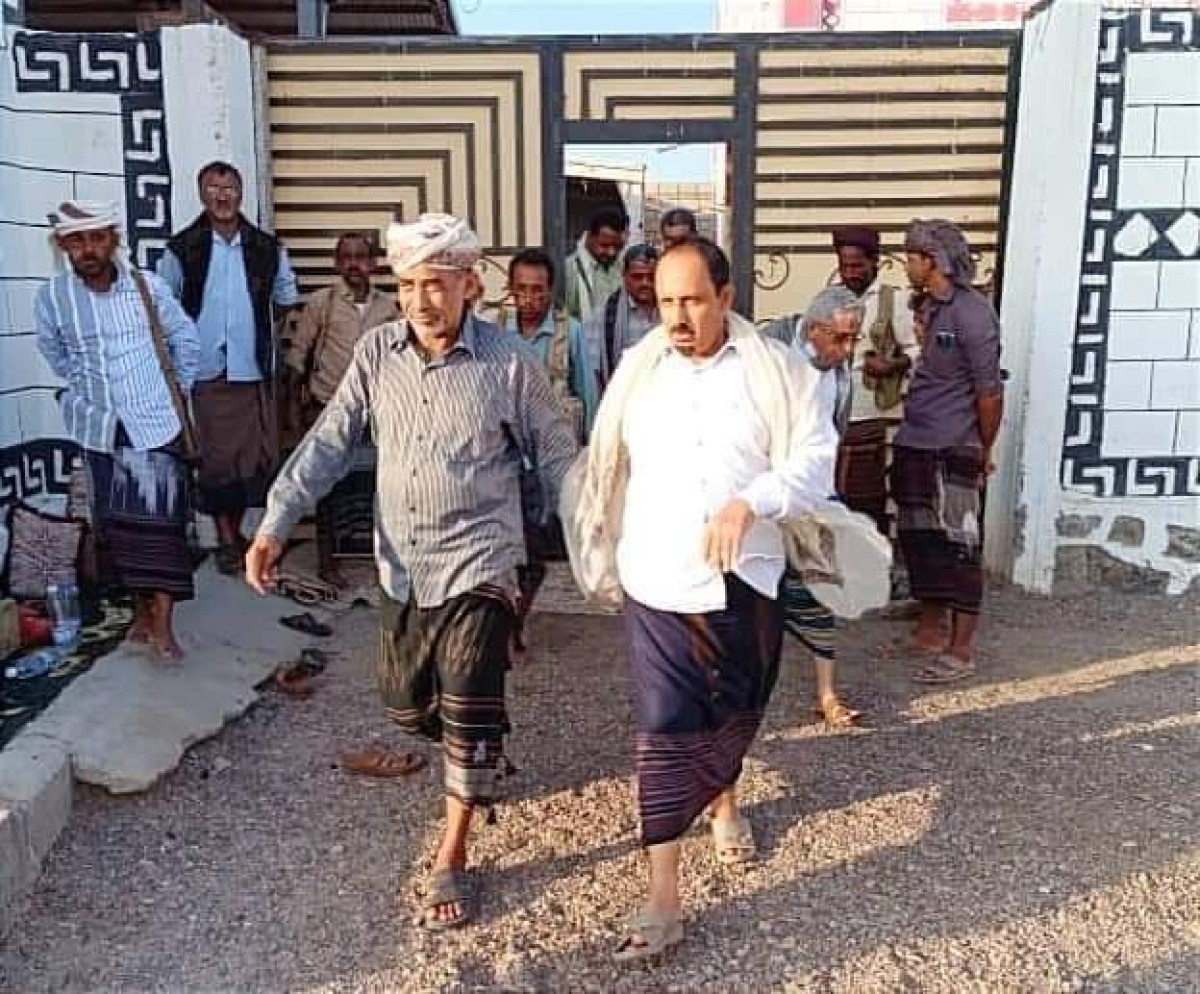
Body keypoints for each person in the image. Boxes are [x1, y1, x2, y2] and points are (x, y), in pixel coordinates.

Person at [244, 213, 578, 930]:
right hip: (402, 566)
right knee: (404, 701)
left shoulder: (508, 361)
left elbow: (555, 447)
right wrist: (276, 521)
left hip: (482, 558)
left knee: (463, 685)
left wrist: (589, 520)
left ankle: (454, 849)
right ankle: (480, 738)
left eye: (437, 283)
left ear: (468, 284)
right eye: (410, 285)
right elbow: (329, 442)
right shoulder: (375, 356)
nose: (423, 300)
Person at [561, 238, 889, 962]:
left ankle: (726, 796)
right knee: (666, 725)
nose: (676, 316)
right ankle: (662, 897)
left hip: (747, 578)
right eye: (666, 300)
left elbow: (812, 460)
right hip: (655, 578)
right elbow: (609, 458)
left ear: (727, 297)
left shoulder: (779, 372)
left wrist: (751, 501)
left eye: (692, 300)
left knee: (735, 711)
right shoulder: (640, 372)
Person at [36, 201, 200, 660]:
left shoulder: (147, 287)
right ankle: (141, 615)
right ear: (64, 247)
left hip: (155, 424)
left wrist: (176, 393)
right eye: (76, 240)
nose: (87, 249)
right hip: (101, 429)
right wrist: (88, 394)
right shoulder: (53, 298)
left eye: (96, 238)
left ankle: (165, 624)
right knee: (119, 530)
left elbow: (185, 339)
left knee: (162, 527)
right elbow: (56, 355)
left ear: (113, 239)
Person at [157, 160, 300, 575]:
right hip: (204, 370)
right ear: (202, 194)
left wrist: (258, 330)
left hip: (250, 368)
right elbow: (163, 306)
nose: (222, 196)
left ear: (241, 193)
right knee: (216, 460)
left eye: (230, 187)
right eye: (213, 188)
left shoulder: (266, 248)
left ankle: (244, 534)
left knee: (253, 458)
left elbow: (285, 297)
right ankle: (222, 537)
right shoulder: (182, 248)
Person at [895, 219, 1003, 684]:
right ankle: (931, 628)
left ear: (932, 261)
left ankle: (961, 649)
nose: (907, 265)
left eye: (912, 257)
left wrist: (983, 449)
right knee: (921, 537)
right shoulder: (930, 307)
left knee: (960, 544)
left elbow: (990, 392)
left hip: (954, 444)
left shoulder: (973, 314)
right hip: (917, 440)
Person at [283, 232, 398, 586]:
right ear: (337, 263)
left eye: (361, 257)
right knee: (326, 487)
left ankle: (385, 559)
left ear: (374, 264)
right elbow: (297, 358)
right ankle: (327, 561)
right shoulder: (322, 303)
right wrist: (291, 415)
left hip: (376, 410)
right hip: (328, 405)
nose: (353, 264)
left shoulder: (389, 308)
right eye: (346, 257)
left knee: (382, 487)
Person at [496, 248, 589, 662]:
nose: (529, 299)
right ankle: (500, 625)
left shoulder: (575, 333)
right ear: (510, 290)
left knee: (535, 552)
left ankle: (515, 619)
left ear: (551, 291)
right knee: (500, 547)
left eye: (538, 291)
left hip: (549, 462)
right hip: (502, 457)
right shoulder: (492, 330)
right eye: (521, 290)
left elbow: (588, 393)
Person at [779, 287, 865, 728]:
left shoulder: (839, 371)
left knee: (821, 591)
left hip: (817, 498)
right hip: (767, 496)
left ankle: (828, 696)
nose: (848, 350)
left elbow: (835, 433)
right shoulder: (772, 351)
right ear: (814, 330)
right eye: (841, 339)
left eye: (855, 339)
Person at [828, 226, 919, 537]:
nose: (850, 273)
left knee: (875, 499)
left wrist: (894, 363)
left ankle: (881, 566)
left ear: (874, 263)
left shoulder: (895, 300)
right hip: (840, 416)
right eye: (844, 266)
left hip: (880, 415)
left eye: (857, 266)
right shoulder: (831, 299)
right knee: (841, 496)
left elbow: (919, 349)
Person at [578, 244, 660, 424]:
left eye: (651, 277)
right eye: (637, 277)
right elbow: (594, 377)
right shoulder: (602, 319)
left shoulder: (671, 314)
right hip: (622, 413)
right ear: (624, 276)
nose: (645, 283)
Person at [561, 207, 629, 321]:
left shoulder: (622, 267)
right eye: (605, 246)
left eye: (617, 247)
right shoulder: (570, 270)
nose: (611, 252)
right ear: (589, 237)